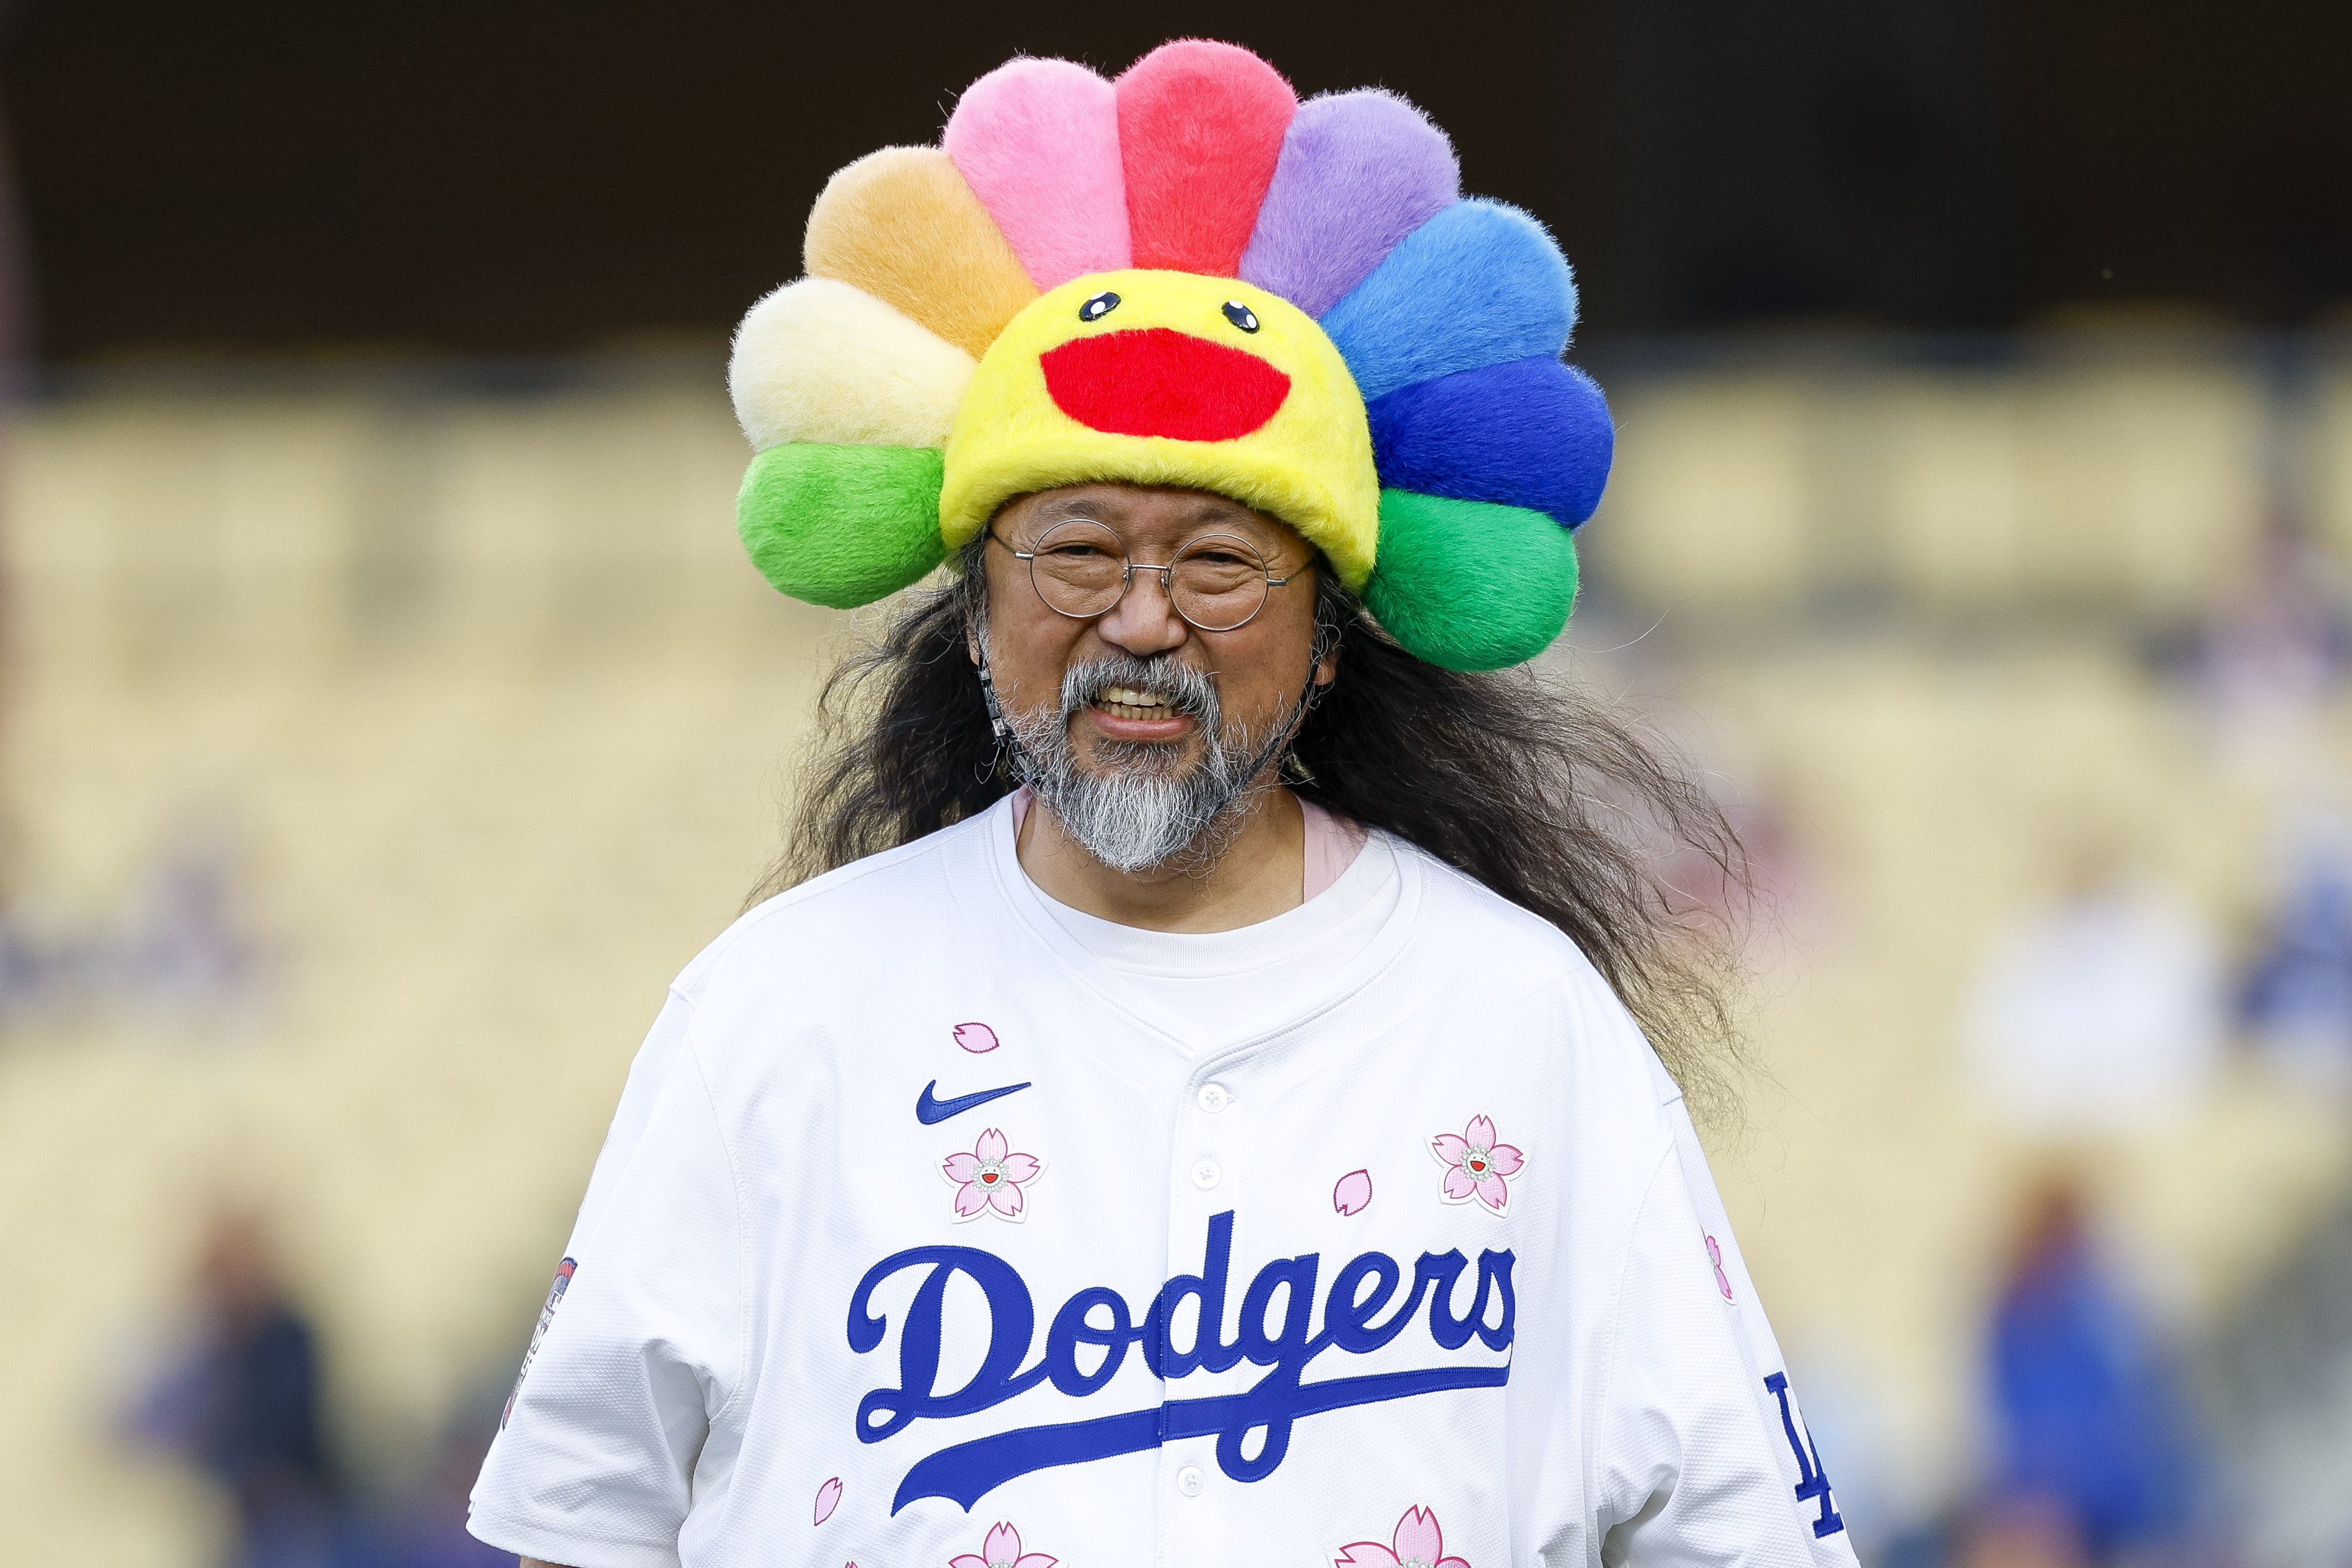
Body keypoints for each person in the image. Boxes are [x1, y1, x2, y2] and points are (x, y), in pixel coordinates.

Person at [468, 40, 1856, 1568]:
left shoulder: (1522, 1017)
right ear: (975, 604)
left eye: (1216, 560)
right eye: (1074, 549)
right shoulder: (775, 1007)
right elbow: (581, 1526)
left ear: (1331, 632)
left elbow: (1732, 1530)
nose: (1140, 618)